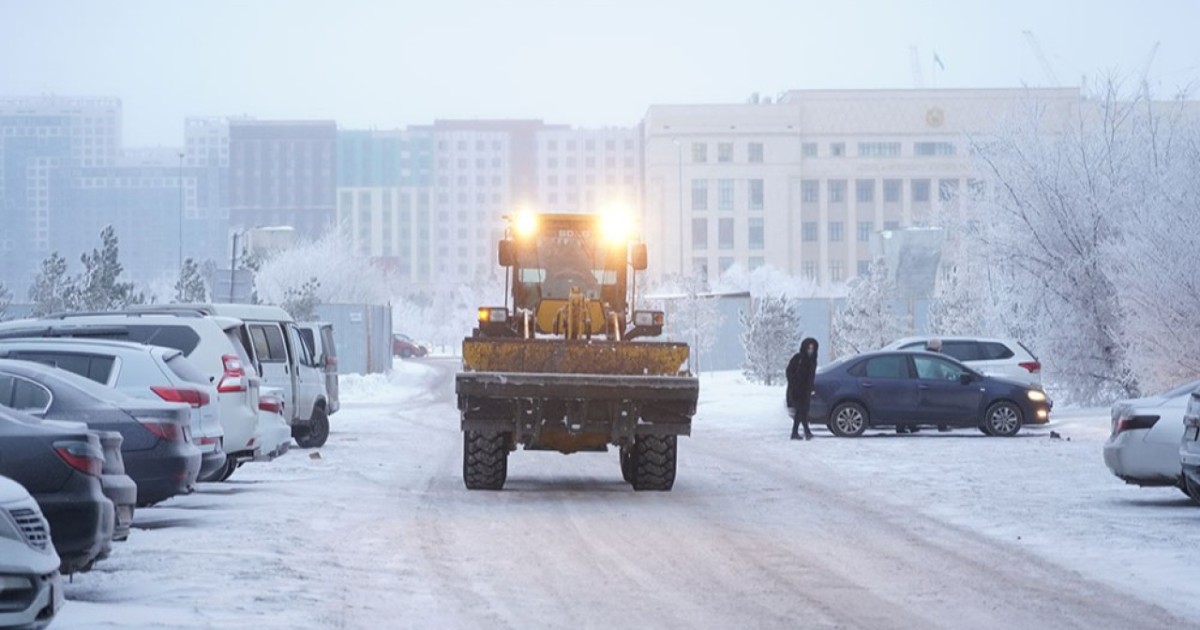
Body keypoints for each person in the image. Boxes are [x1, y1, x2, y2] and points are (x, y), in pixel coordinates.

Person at [785, 338, 819, 440]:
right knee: (801, 410)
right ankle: (804, 432)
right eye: (808, 348)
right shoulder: (798, 358)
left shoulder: (813, 360)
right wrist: (794, 382)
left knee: (802, 411)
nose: (810, 350)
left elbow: (811, 376)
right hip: (796, 390)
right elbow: (789, 371)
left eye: (812, 348)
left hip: (806, 390)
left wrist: (811, 387)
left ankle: (800, 432)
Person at [925, 338, 952, 433]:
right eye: (940, 347)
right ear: (937, 347)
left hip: (925, 384)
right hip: (933, 386)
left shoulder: (925, 356)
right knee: (941, 405)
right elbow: (937, 373)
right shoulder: (935, 358)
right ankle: (942, 425)